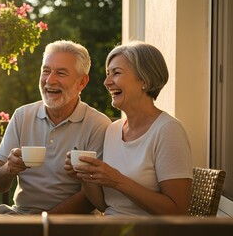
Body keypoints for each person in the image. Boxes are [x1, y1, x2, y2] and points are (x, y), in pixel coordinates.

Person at [65, 41, 193, 216]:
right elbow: (104, 205)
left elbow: (177, 212)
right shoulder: (112, 130)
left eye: (116, 73)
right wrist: (85, 178)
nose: (106, 82)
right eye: (107, 74)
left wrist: (118, 181)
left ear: (145, 80)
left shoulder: (168, 131)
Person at [0, 40, 112, 215]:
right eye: (46, 71)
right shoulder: (22, 115)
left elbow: (92, 197)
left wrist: (41, 224)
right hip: (21, 215)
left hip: (74, 223)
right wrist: (8, 168)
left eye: (61, 73)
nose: (50, 80)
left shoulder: (99, 124)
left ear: (81, 82)